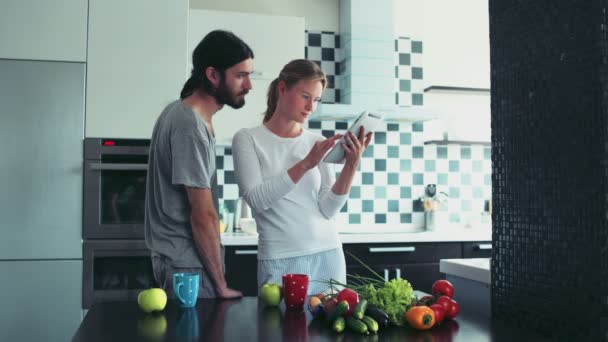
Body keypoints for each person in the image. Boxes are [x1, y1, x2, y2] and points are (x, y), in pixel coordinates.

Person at [232, 59, 372, 294]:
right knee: (279, 329)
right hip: (281, 259)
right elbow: (256, 199)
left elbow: (328, 209)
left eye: (316, 99)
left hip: (328, 255)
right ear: (283, 88)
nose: (311, 107)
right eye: (305, 96)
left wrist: (351, 165)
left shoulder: (317, 142)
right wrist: (306, 163)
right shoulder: (247, 139)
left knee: (330, 330)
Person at [144, 30, 254, 299]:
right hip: (187, 266)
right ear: (213, 75)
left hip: (182, 262)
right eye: (241, 75)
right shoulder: (188, 124)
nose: (250, 85)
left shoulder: (180, 113)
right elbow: (202, 215)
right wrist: (221, 285)